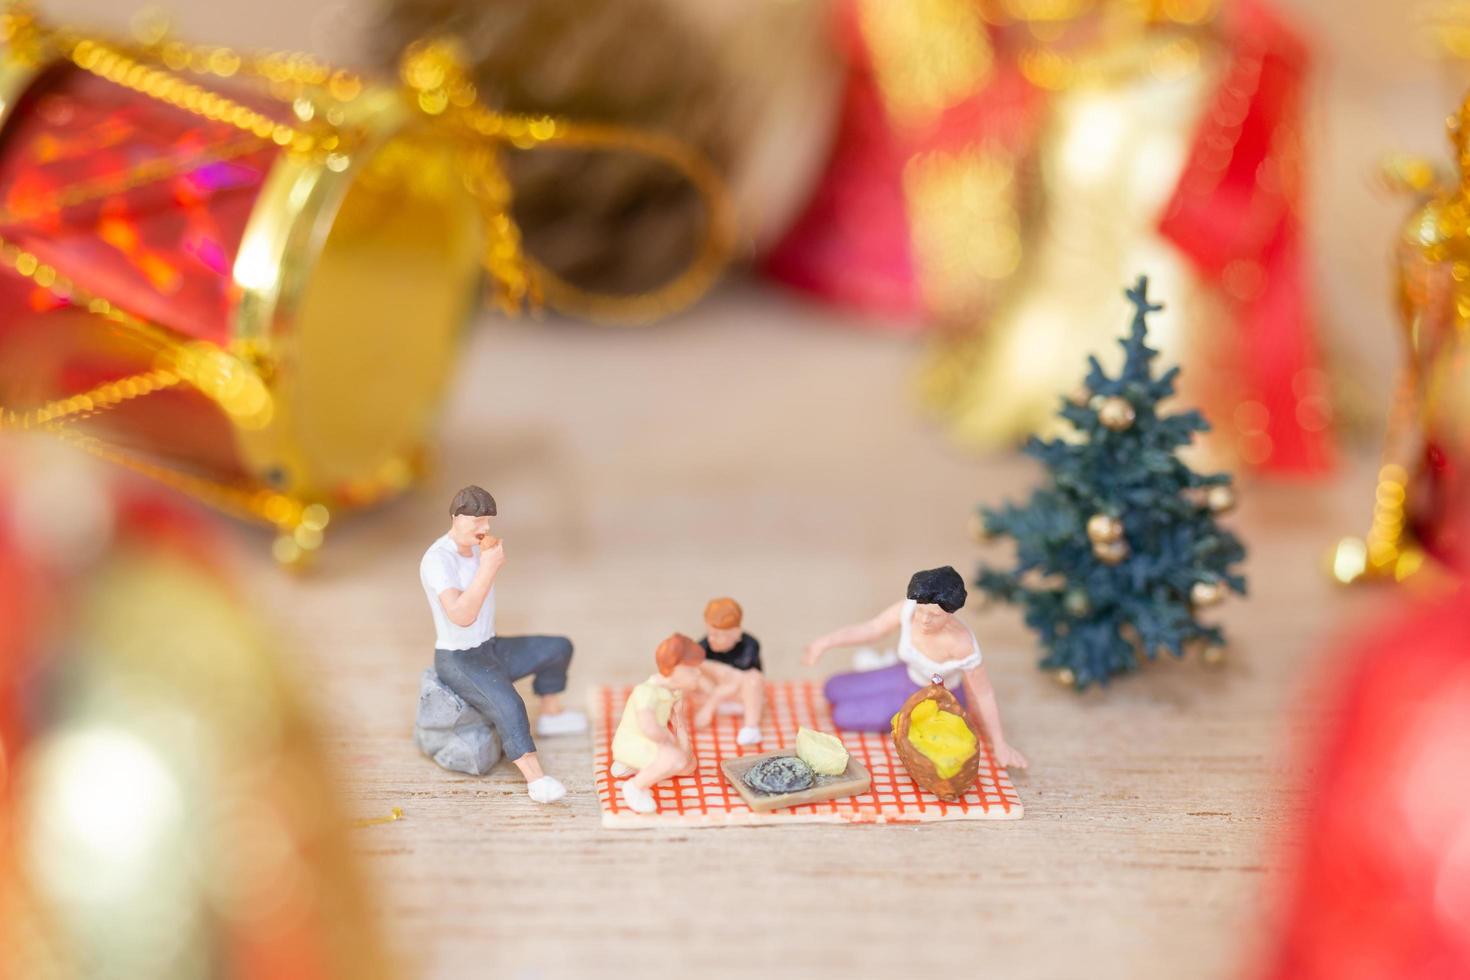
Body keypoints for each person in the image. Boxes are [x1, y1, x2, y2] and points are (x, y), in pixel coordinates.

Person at [420, 485, 588, 804]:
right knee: (509, 705)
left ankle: (551, 714)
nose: (484, 530)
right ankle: (536, 780)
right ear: (456, 517)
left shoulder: (475, 549)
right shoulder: (438, 559)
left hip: (490, 647)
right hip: (458, 658)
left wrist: (484, 562)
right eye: (476, 523)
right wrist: (488, 568)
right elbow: (461, 614)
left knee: (558, 648)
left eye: (487, 522)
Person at [803, 565, 1028, 770]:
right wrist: (825, 642)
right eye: (921, 611)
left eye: (934, 615)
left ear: (950, 614)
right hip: (905, 674)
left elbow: (984, 693)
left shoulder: (962, 645)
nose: (924, 620)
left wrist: (1000, 743)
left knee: (844, 715)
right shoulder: (908, 610)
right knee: (833, 688)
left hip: (934, 698)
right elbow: (872, 628)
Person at [610, 633, 705, 814]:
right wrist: (669, 746)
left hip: (650, 741)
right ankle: (636, 786)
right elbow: (649, 727)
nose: (698, 673)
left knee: (686, 764)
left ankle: (633, 765)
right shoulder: (646, 692)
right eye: (693, 669)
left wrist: (680, 734)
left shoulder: (674, 692)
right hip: (633, 742)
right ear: (676, 669)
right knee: (676, 760)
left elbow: (677, 723)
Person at [692, 597, 766, 746]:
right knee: (693, 670)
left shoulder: (749, 646)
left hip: (742, 697)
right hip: (715, 692)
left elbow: (736, 681)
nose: (712, 639)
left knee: (752, 678)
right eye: (710, 633)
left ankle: (751, 727)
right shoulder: (705, 645)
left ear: (736, 633)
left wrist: (711, 704)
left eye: (719, 635)